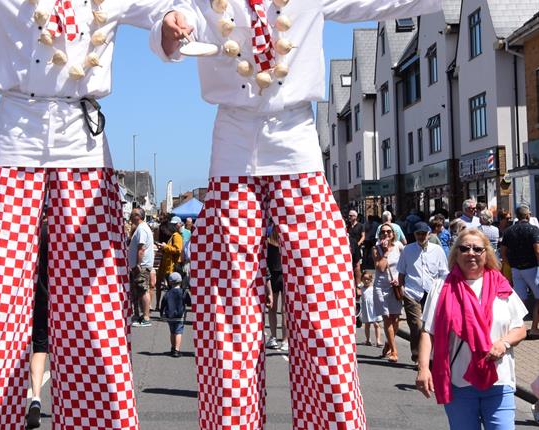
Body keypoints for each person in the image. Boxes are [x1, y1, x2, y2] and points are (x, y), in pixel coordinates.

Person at [154, 0, 441, 427]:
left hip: (296, 141)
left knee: (322, 306)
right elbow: (181, 24)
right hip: (232, 142)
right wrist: (168, 29)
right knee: (225, 305)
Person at [0, 0, 175, 425]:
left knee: (95, 296)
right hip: (17, 129)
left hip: (81, 136)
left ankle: (101, 417)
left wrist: (175, 26)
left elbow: (163, 11)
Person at [415, 229, 528, 428]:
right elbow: (428, 332)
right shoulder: (441, 286)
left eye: (477, 248)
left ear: (487, 254)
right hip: (459, 385)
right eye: (464, 248)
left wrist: (504, 343)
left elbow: (520, 329)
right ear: (455, 254)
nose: (471, 253)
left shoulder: (501, 285)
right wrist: (424, 368)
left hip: (499, 382)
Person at [397, 221, 449, 364]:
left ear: (429, 234)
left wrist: (444, 291)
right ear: (414, 234)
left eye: (423, 234)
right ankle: (418, 355)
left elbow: (444, 273)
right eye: (418, 234)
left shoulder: (437, 250)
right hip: (412, 292)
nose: (421, 236)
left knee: (431, 325)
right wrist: (401, 289)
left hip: (432, 292)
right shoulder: (408, 250)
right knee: (417, 325)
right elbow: (401, 272)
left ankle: (430, 355)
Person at [500, 204, 539, 337]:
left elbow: (503, 251)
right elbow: (537, 249)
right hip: (532, 268)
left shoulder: (509, 231)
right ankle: (534, 328)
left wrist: (509, 264)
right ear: (528, 215)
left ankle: (516, 329)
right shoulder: (533, 229)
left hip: (516, 269)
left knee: (519, 300)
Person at [27, 219, 50, 429]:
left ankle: (35, 396)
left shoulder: (33, 232)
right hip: (69, 302)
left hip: (39, 297)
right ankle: (73, 402)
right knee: (72, 352)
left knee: (40, 349)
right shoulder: (66, 232)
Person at [373, 222, 405, 362]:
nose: (386, 234)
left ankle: (388, 343)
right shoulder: (376, 249)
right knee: (387, 319)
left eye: (388, 232)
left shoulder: (399, 246)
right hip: (381, 287)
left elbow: (405, 265)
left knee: (396, 319)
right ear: (379, 235)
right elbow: (380, 267)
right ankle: (394, 351)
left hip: (395, 286)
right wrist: (385, 252)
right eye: (383, 232)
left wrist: (400, 279)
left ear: (393, 234)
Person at [129, 207, 155, 327]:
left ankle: (146, 317)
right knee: (139, 291)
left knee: (143, 290)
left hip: (142, 266)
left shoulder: (142, 229)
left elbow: (141, 248)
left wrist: (138, 264)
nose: (130, 216)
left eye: (132, 214)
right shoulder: (141, 228)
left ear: (138, 217)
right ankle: (141, 315)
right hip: (140, 266)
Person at [265, 225, 287, 351]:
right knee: (285, 310)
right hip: (284, 275)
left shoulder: (268, 243)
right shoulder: (286, 242)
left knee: (272, 308)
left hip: (273, 275)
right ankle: (285, 340)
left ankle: (273, 336)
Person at [155, 216, 184, 312]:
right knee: (171, 289)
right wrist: (163, 248)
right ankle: (171, 308)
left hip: (173, 266)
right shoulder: (173, 236)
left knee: (173, 289)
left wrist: (165, 247)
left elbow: (178, 250)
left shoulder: (176, 236)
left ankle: (174, 309)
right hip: (168, 266)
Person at [161, 272, 191, 357]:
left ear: (170, 282)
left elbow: (163, 304)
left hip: (169, 316)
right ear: (181, 281)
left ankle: (172, 347)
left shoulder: (167, 293)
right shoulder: (183, 292)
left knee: (172, 332)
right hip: (180, 316)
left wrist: (161, 313)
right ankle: (176, 350)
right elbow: (189, 303)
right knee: (178, 332)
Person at [358, 271, 382, 347]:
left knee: (376, 324)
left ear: (371, 280)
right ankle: (368, 340)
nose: (366, 281)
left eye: (368, 279)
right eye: (364, 279)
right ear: (362, 279)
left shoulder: (373, 288)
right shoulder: (361, 289)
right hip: (366, 309)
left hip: (374, 308)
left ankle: (378, 340)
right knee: (367, 325)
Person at [347, 210, 365, 286]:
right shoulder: (348, 226)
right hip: (350, 248)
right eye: (349, 215)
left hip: (357, 247)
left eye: (351, 215)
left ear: (355, 217)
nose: (349, 217)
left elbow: (363, 236)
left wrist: (358, 244)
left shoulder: (360, 226)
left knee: (357, 265)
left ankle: (358, 283)